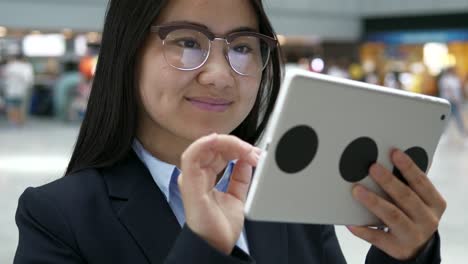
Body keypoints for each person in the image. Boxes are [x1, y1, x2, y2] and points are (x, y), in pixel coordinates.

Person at [14, 0, 446, 263]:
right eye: (186, 41)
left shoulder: (287, 193)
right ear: (127, 52)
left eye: (241, 47)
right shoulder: (58, 217)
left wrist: (406, 257)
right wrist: (203, 248)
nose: (220, 75)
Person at [3, 54, 34, 126]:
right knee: (21, 106)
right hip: (22, 90)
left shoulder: (10, 66)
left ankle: (13, 121)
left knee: (11, 106)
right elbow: (29, 80)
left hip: (10, 90)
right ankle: (20, 121)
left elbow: (4, 78)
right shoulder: (26, 67)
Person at [438, 67, 467, 137]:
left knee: (453, 118)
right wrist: (455, 98)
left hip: (455, 101)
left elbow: (458, 90)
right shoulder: (445, 79)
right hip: (449, 101)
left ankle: (442, 133)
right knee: (451, 118)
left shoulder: (455, 79)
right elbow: (448, 90)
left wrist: (459, 99)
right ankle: (442, 133)